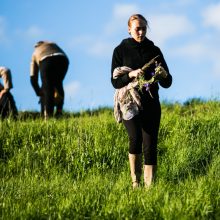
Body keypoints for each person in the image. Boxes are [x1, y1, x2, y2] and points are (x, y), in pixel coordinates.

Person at [111, 14, 172, 188]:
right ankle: (135, 182)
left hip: (151, 101)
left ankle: (149, 188)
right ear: (129, 29)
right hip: (129, 101)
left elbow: (168, 82)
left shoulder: (155, 51)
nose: (141, 31)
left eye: (144, 28)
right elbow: (114, 81)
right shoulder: (120, 50)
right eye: (137, 28)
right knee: (135, 138)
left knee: (150, 145)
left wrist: (163, 76)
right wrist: (130, 75)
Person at [30, 41, 69, 119]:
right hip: (63, 59)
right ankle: (59, 112)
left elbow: (33, 76)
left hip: (46, 61)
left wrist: (38, 91)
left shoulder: (35, 52)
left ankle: (48, 116)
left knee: (47, 88)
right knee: (58, 83)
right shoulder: (53, 45)